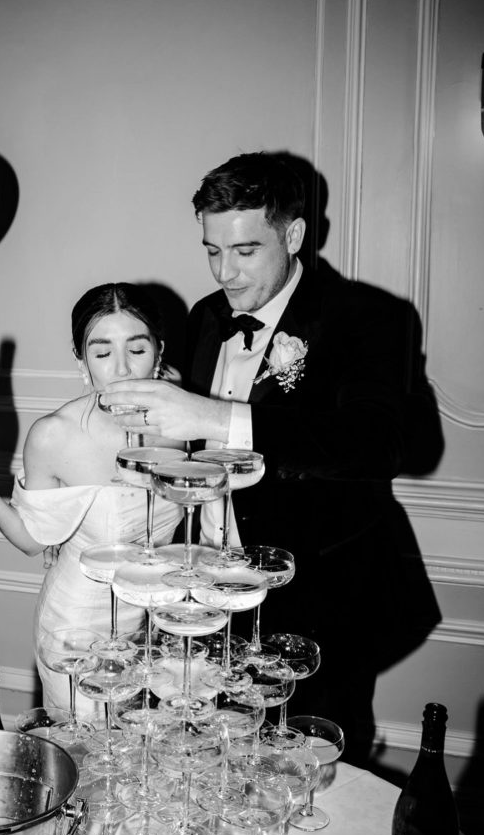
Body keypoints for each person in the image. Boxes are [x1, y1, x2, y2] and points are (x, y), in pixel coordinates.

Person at [101, 151, 441, 764]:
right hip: (206, 593)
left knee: (306, 769)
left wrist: (213, 416)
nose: (224, 272)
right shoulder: (206, 318)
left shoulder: (369, 319)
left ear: (293, 234)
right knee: (208, 763)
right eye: (212, 249)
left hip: (316, 599)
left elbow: (380, 443)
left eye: (245, 250)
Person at [0, 284, 182, 711]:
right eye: (102, 354)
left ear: (159, 352)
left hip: (158, 626)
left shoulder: (183, 421)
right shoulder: (54, 435)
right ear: (81, 361)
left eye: (136, 350)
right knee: (88, 758)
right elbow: (33, 542)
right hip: (79, 628)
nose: (121, 369)